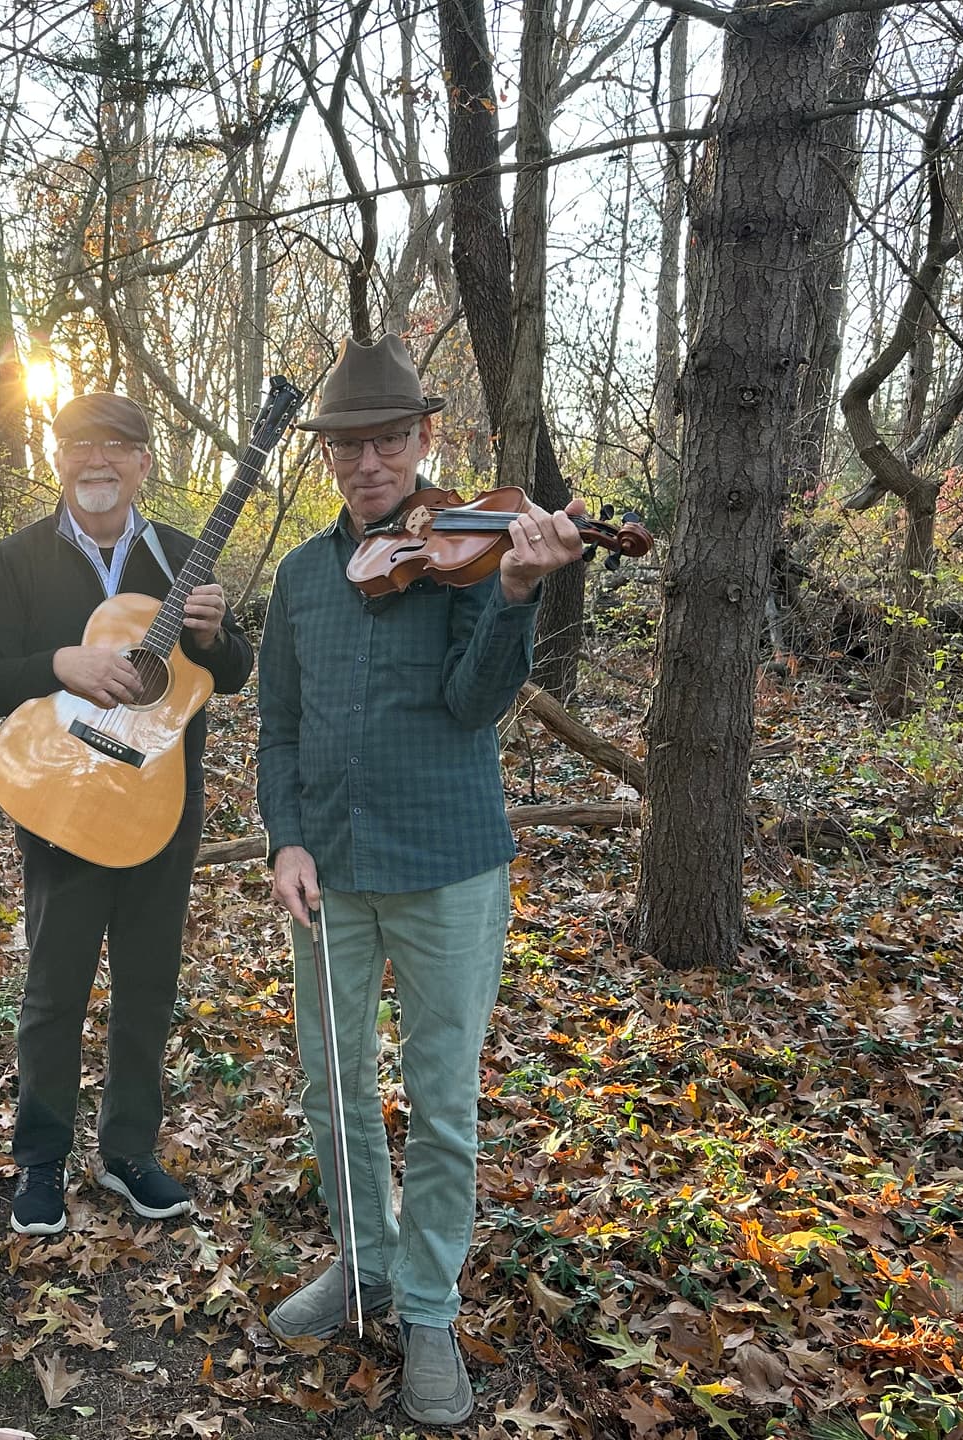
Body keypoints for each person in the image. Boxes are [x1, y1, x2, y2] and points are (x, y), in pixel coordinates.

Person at [255, 335, 585, 1427]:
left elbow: (472, 705)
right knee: (331, 1082)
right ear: (330, 458)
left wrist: (520, 591)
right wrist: (285, 841)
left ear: (426, 440)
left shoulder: (471, 556)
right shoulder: (304, 576)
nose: (367, 462)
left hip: (447, 866)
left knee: (441, 1099)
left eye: (388, 439)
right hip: (331, 872)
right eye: (348, 446)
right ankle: (364, 1263)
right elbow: (280, 729)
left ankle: (430, 1307)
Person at [0, 391, 253, 1236]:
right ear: (56, 459)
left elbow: (232, 673)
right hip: (60, 792)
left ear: (144, 463)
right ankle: (41, 1158)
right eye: (78, 444)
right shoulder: (18, 559)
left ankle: (128, 1150)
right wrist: (62, 663)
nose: (97, 460)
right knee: (55, 986)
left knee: (148, 981)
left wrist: (212, 635)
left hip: (163, 797)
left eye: (116, 446)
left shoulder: (178, 556)